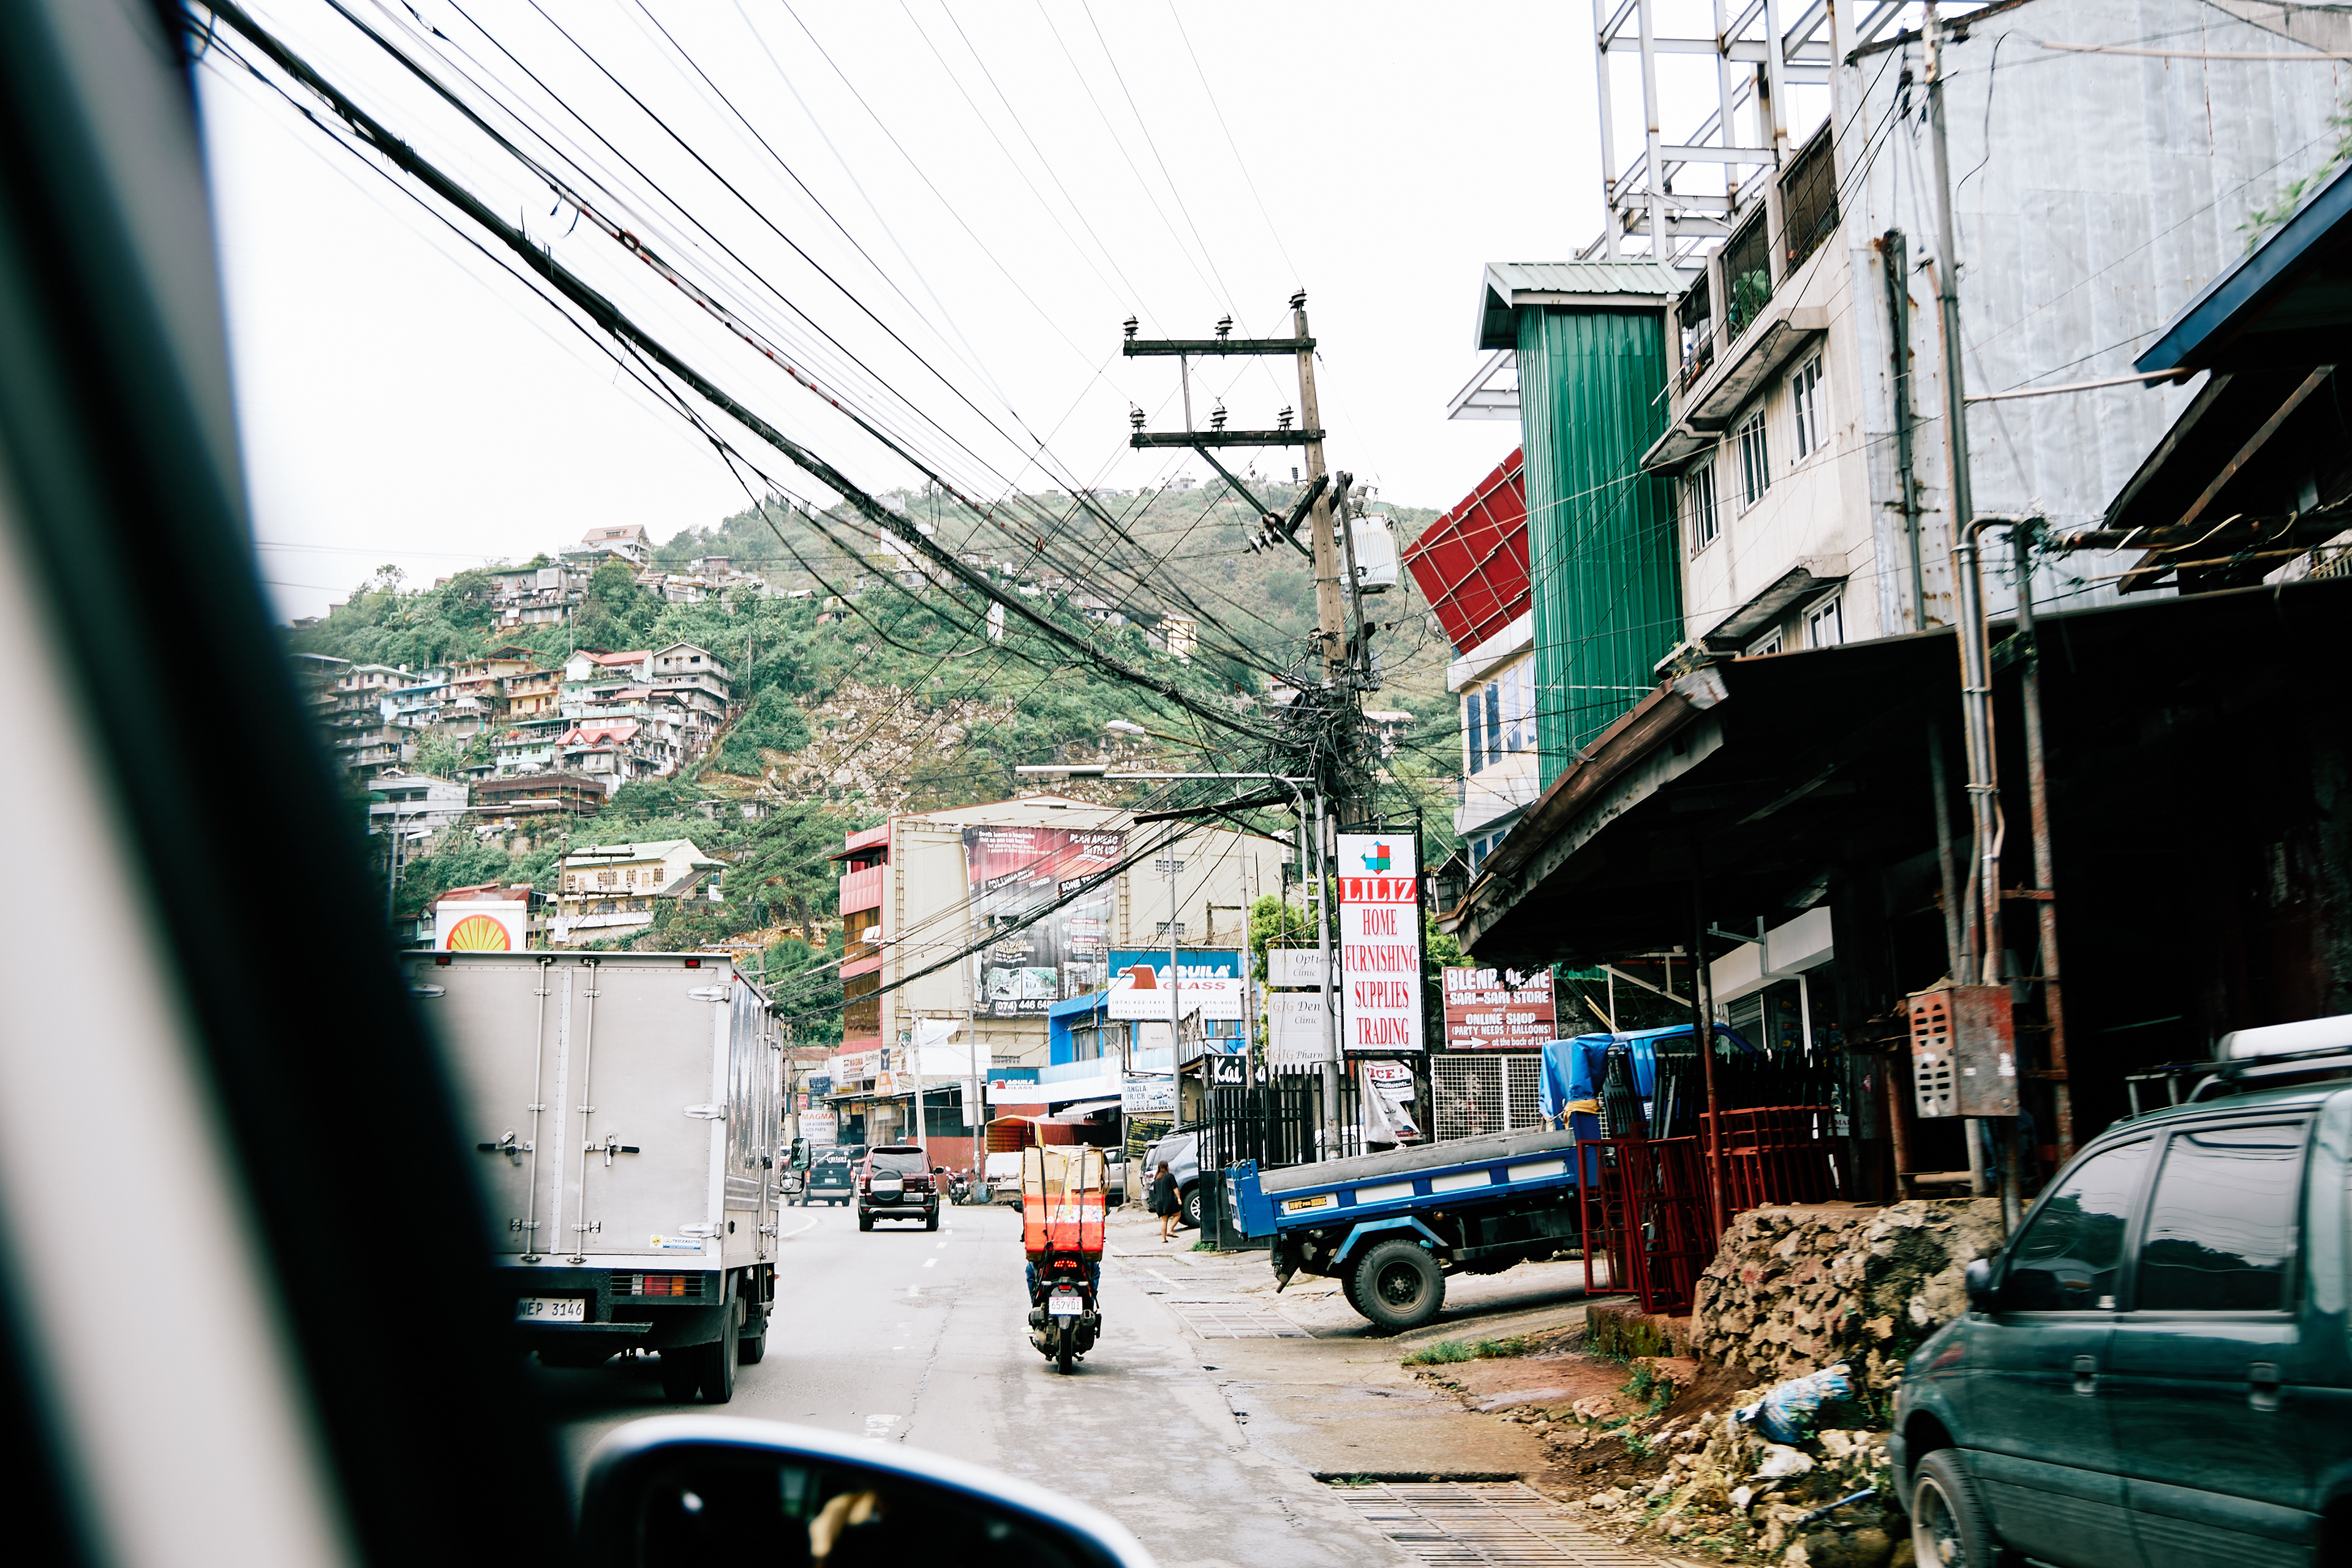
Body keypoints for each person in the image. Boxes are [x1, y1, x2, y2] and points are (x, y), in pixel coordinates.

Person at [1149, 1161, 1179, 1242]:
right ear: (1166, 1167)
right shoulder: (1170, 1176)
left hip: (1160, 1202)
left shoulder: (1157, 1179)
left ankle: (1164, 1239)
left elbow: (1155, 1192)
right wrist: (1179, 1198)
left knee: (1164, 1220)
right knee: (1177, 1214)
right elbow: (1175, 1188)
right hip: (1169, 1200)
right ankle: (1171, 1230)